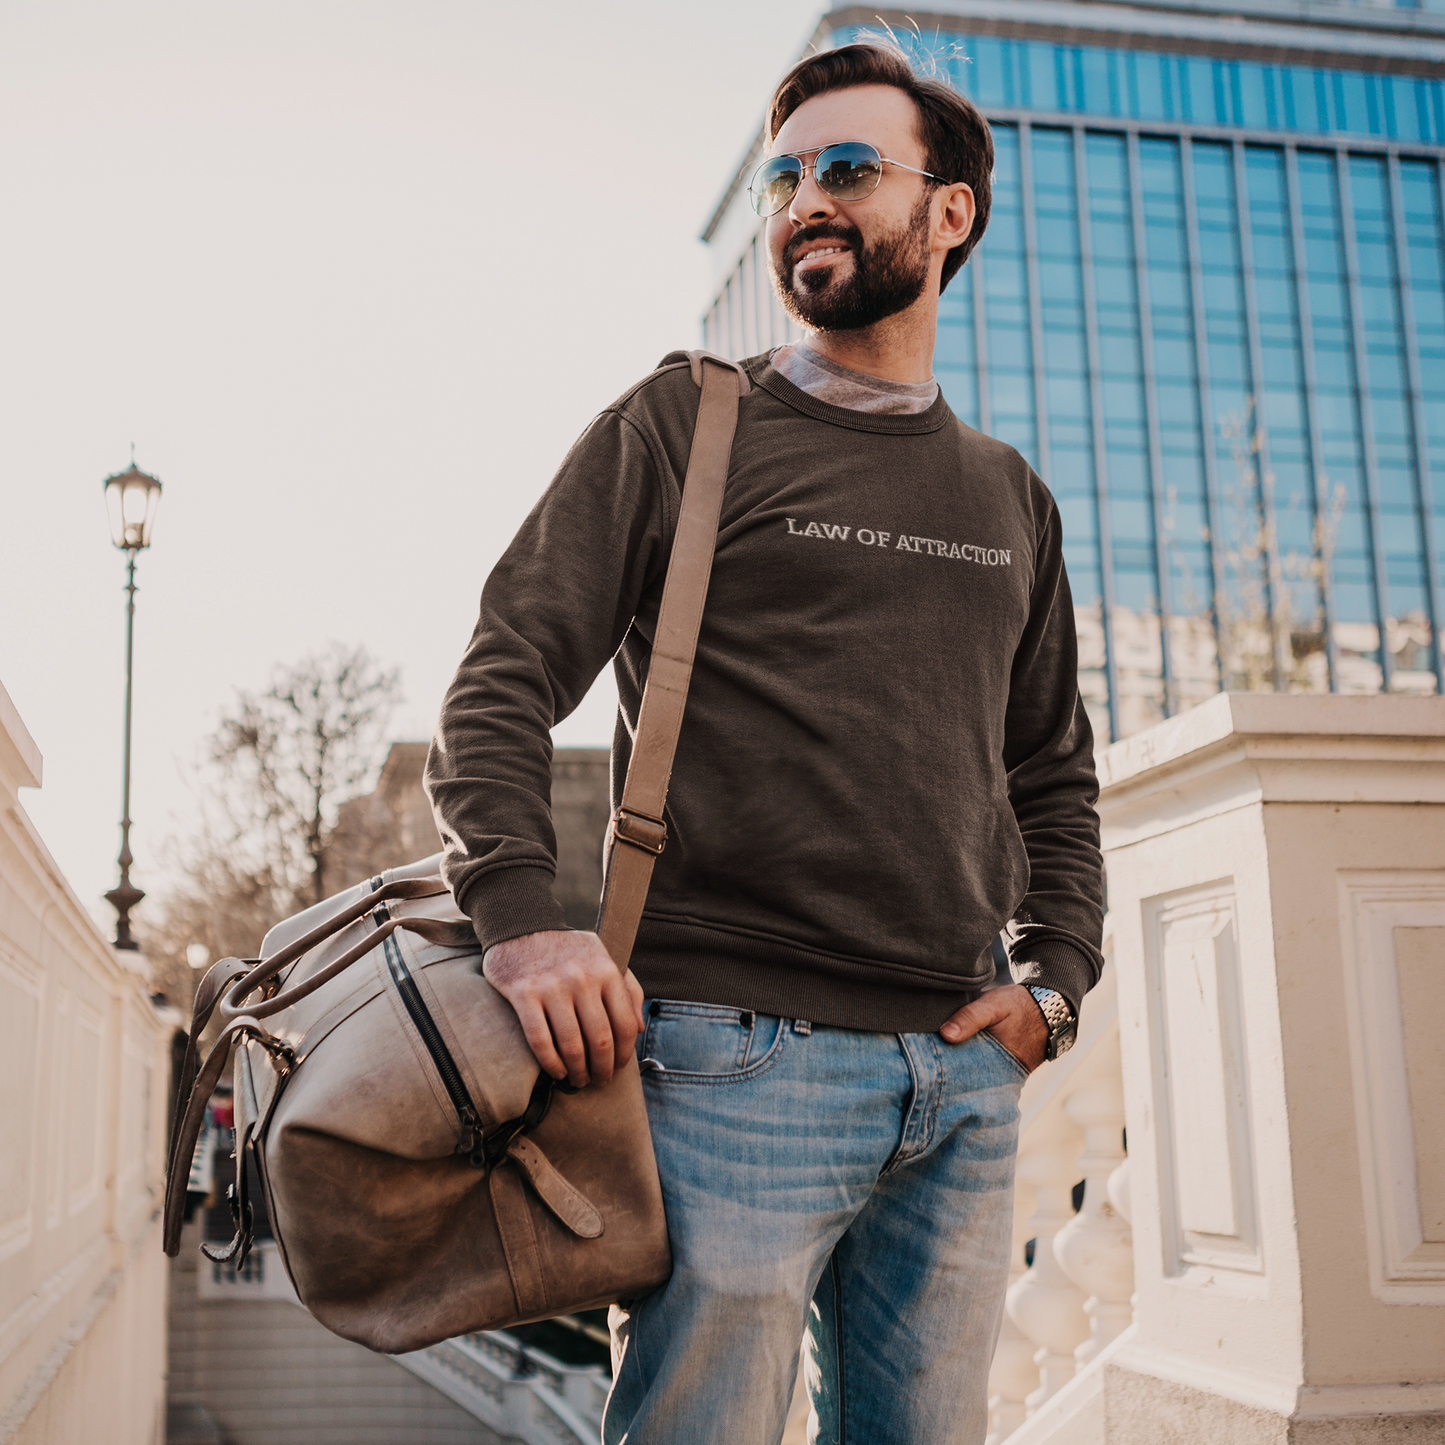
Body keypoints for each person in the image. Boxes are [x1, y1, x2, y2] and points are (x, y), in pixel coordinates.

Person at [425, 41, 1104, 1445]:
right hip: (724, 1066)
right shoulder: (684, 425)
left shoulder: (1010, 495)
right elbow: (500, 678)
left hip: (963, 1073)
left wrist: (1060, 981)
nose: (806, 198)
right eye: (787, 176)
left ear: (951, 212)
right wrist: (520, 923)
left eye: (849, 169)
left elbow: (1050, 770)